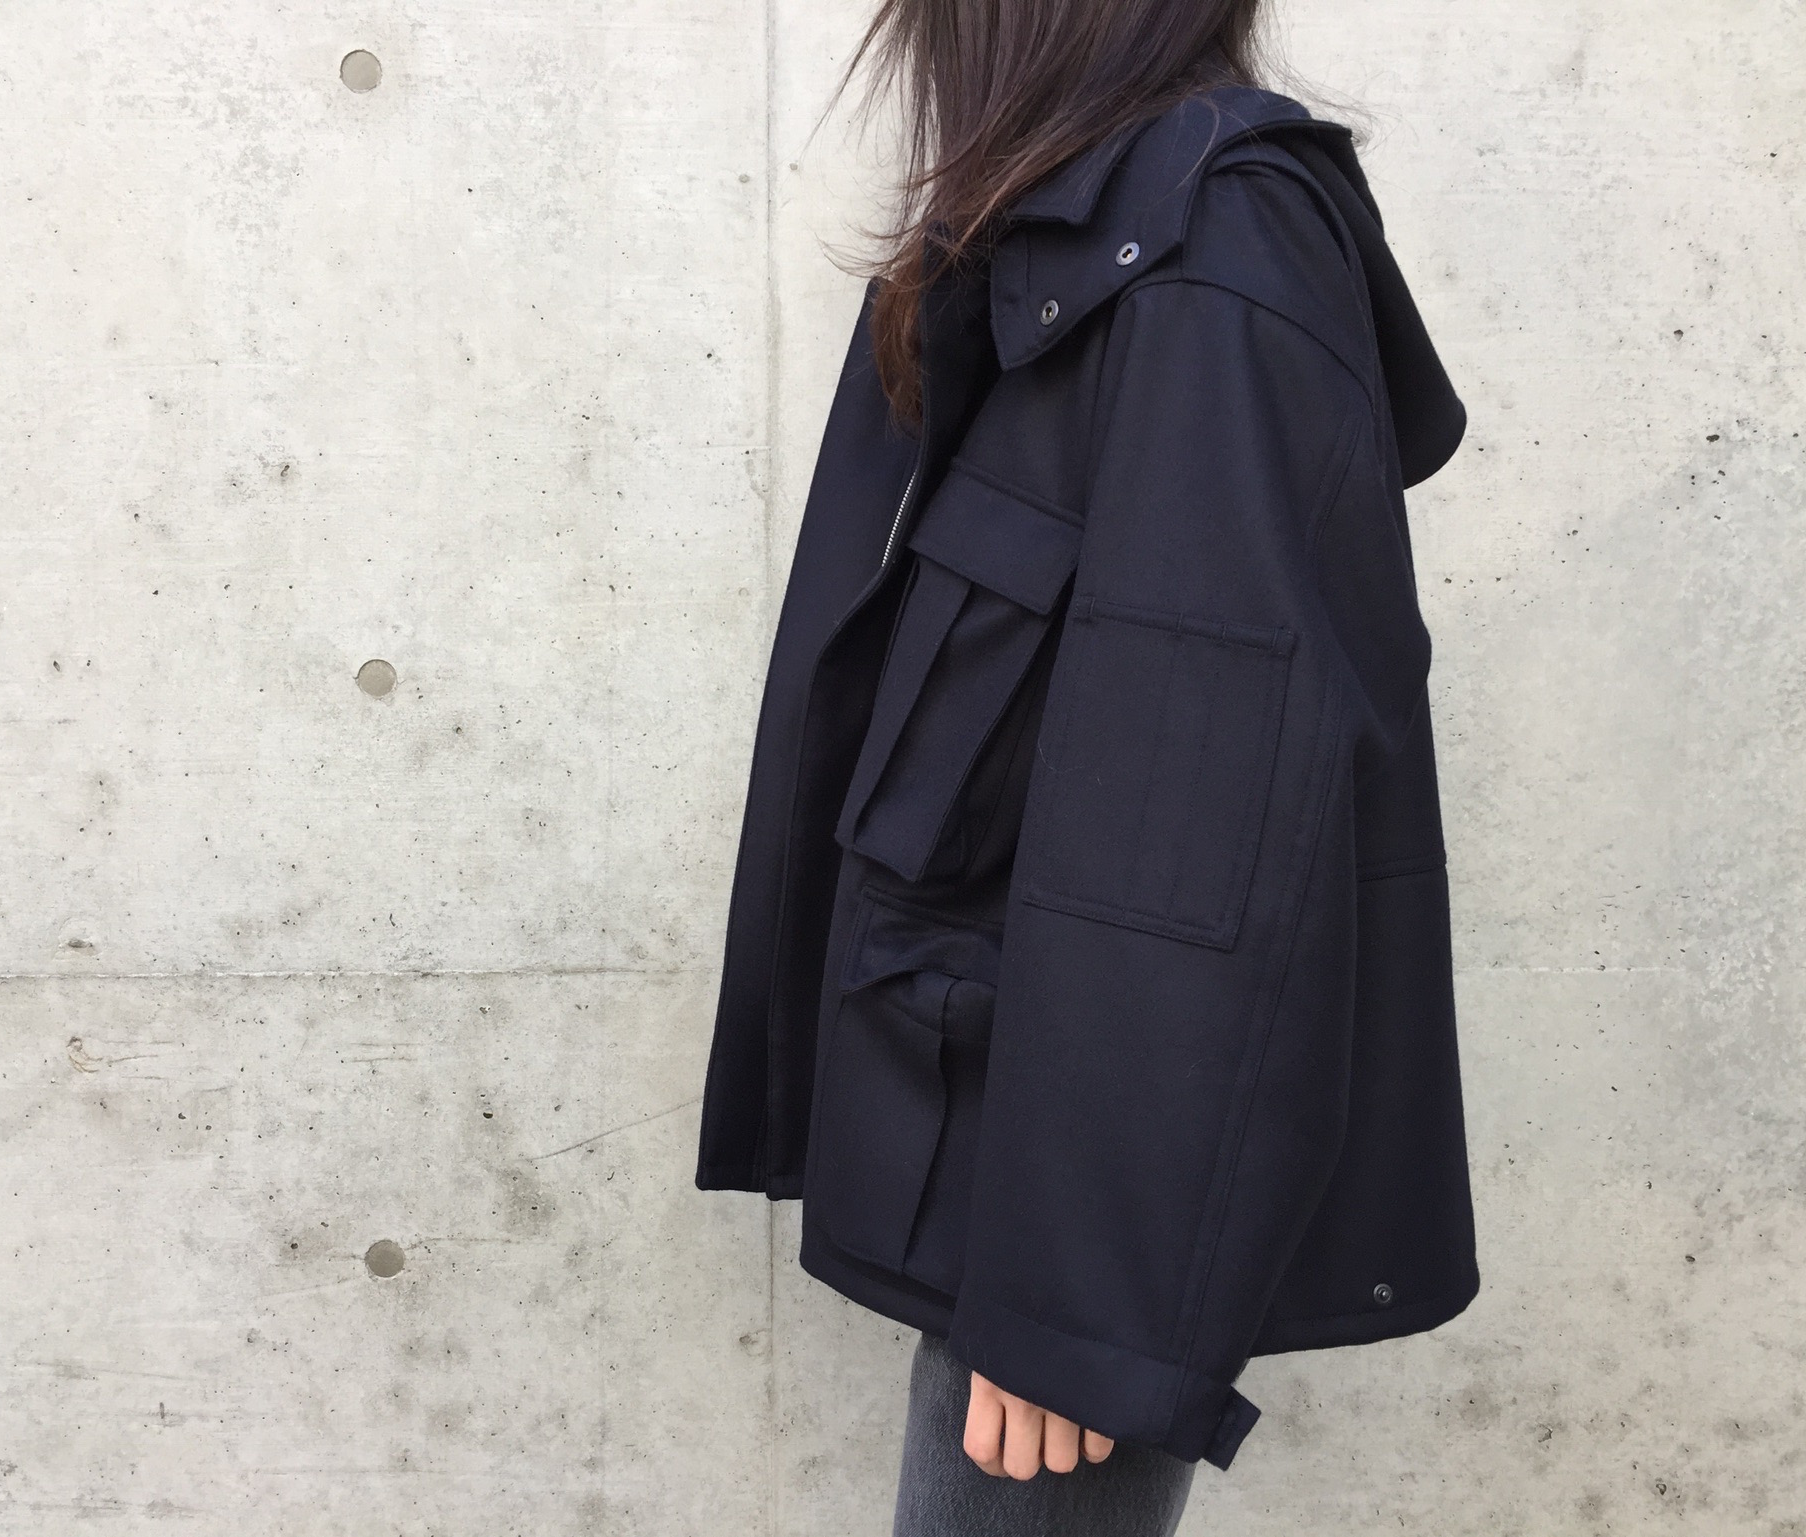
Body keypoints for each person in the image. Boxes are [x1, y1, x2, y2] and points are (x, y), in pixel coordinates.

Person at [694, 1, 1480, 1531]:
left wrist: (1080, 1296)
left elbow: (1197, 821)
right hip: (1004, 1150)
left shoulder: (1208, 254)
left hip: (1057, 1224)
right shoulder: (1069, 236)